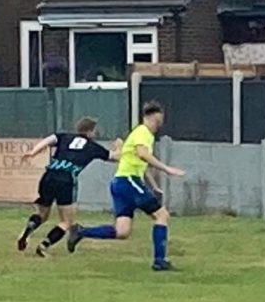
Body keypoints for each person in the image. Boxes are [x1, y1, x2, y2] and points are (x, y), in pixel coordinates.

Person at [66, 100, 182, 270]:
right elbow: (143, 154)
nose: (160, 124)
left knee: (122, 232)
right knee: (161, 216)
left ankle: (80, 231)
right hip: (128, 181)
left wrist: (154, 186)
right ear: (153, 118)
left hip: (120, 182)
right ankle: (159, 260)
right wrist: (166, 168)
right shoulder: (143, 132)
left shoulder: (139, 133)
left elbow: (140, 163)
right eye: (159, 120)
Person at [21, 116, 115, 254]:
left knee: (42, 214)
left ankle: (28, 230)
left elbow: (48, 140)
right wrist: (123, 150)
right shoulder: (93, 146)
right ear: (91, 131)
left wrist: (33, 152)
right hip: (66, 179)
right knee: (66, 221)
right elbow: (113, 157)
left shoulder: (64, 136)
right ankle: (44, 245)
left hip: (49, 176)